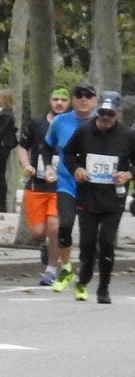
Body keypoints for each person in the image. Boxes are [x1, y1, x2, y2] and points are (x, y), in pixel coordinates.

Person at [63, 91, 134, 304]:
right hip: (88, 195)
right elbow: (68, 153)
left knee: (106, 242)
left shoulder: (128, 135)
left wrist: (129, 173)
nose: (105, 119)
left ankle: (103, 287)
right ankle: (83, 277)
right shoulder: (84, 131)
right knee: (87, 243)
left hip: (114, 198)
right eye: (102, 113)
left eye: (110, 115)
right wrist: (77, 168)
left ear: (118, 114)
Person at [44, 82, 100, 294]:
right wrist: (48, 167)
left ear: (95, 100)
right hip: (67, 183)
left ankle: (83, 279)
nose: (83, 99)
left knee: (89, 236)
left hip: (93, 187)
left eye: (88, 95)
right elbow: (47, 146)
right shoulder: (60, 122)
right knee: (65, 225)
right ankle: (66, 268)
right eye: (79, 95)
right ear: (73, 100)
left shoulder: (101, 122)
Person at [17, 87, 70, 285]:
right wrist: (27, 165)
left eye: (63, 100)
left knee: (55, 226)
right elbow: (22, 147)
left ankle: (51, 269)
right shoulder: (37, 123)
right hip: (37, 186)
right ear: (50, 100)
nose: (59, 103)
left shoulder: (73, 125)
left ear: (69, 102)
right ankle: (48, 246)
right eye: (55, 99)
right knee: (39, 232)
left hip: (61, 187)